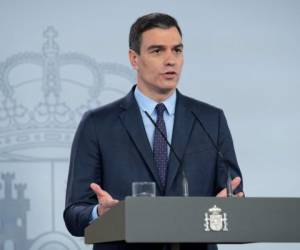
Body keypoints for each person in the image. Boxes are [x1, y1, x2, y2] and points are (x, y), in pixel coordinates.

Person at [64, 13, 244, 250]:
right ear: (134, 59)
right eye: (157, 51)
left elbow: (233, 198)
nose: (171, 60)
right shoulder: (97, 124)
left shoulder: (211, 120)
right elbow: (74, 214)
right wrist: (99, 212)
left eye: (177, 50)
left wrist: (230, 208)